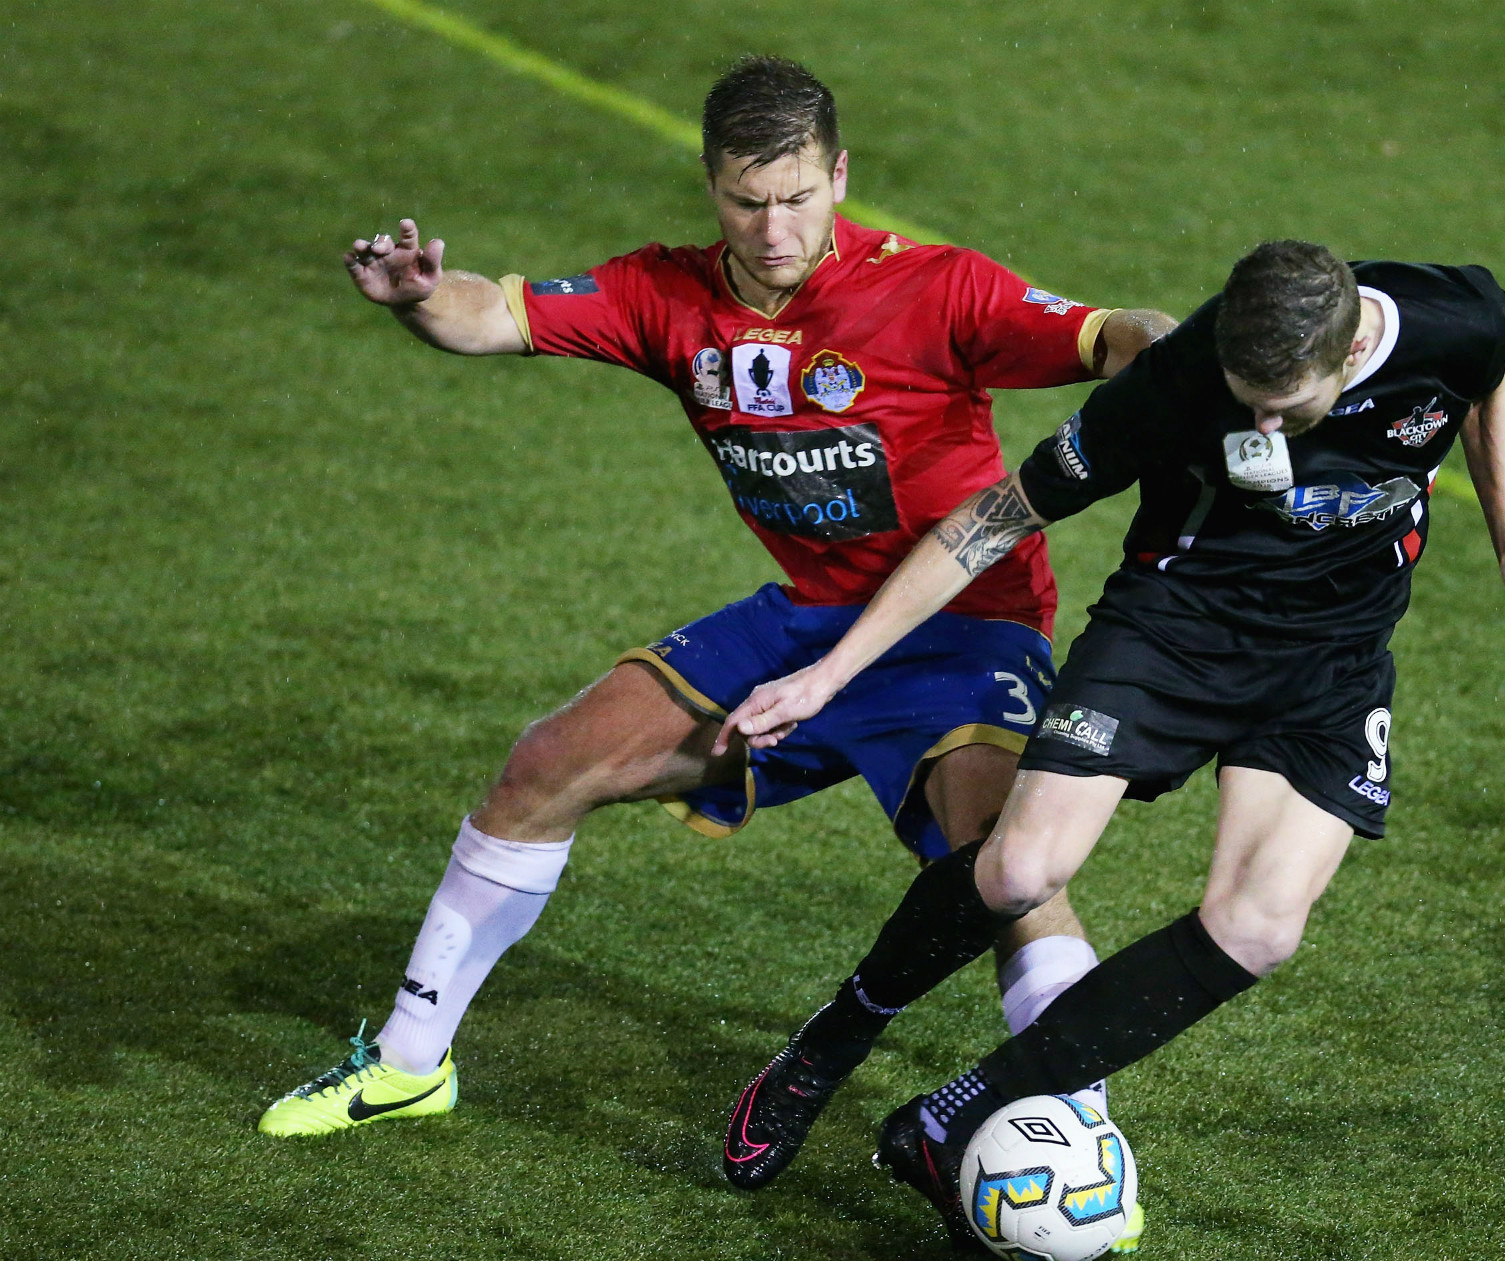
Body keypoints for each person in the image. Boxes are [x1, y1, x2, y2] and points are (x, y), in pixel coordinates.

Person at [256, 53, 1176, 1196]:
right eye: (748, 201)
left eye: (798, 197)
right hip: (801, 622)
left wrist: (1166, 350)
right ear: (711, 188)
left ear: (839, 175)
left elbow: (1108, 335)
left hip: (961, 631)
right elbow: (489, 314)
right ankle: (405, 1063)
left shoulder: (936, 287)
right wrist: (414, 299)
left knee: (1003, 869)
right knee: (545, 765)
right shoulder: (665, 292)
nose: (776, 228)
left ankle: (1083, 1142)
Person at [716, 239, 1505, 1246]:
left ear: (1351, 347)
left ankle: (944, 1119)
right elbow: (993, 519)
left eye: (1285, 405)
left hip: (1328, 663)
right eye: (1246, 400)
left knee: (1260, 927)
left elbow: (1488, 381)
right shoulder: (1178, 378)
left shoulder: (1455, 315)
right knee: (1018, 868)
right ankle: (826, 1047)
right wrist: (831, 673)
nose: (1260, 427)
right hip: (1171, 634)